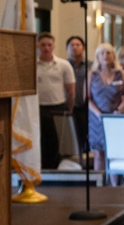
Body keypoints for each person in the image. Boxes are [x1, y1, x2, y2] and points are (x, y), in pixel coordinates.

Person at [87, 43, 124, 172]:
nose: (105, 56)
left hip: (116, 117)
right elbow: (87, 98)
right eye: (102, 53)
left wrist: (118, 111)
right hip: (96, 119)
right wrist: (98, 114)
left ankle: (114, 186)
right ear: (97, 57)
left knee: (114, 153)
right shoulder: (92, 74)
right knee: (99, 153)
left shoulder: (121, 74)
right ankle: (99, 184)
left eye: (108, 53)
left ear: (113, 56)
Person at [36, 32, 74, 171]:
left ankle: (54, 169)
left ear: (54, 46)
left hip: (57, 107)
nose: (46, 48)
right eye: (43, 45)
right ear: (37, 46)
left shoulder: (64, 65)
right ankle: (40, 169)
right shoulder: (32, 65)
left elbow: (70, 90)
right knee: (40, 140)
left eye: (49, 45)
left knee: (56, 141)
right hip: (39, 108)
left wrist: (69, 109)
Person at [64, 34, 88, 157]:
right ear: (67, 49)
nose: (74, 47)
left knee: (85, 135)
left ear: (83, 48)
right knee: (71, 136)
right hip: (69, 107)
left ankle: (85, 161)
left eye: (78, 45)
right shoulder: (63, 65)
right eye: (71, 45)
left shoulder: (90, 66)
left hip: (85, 107)